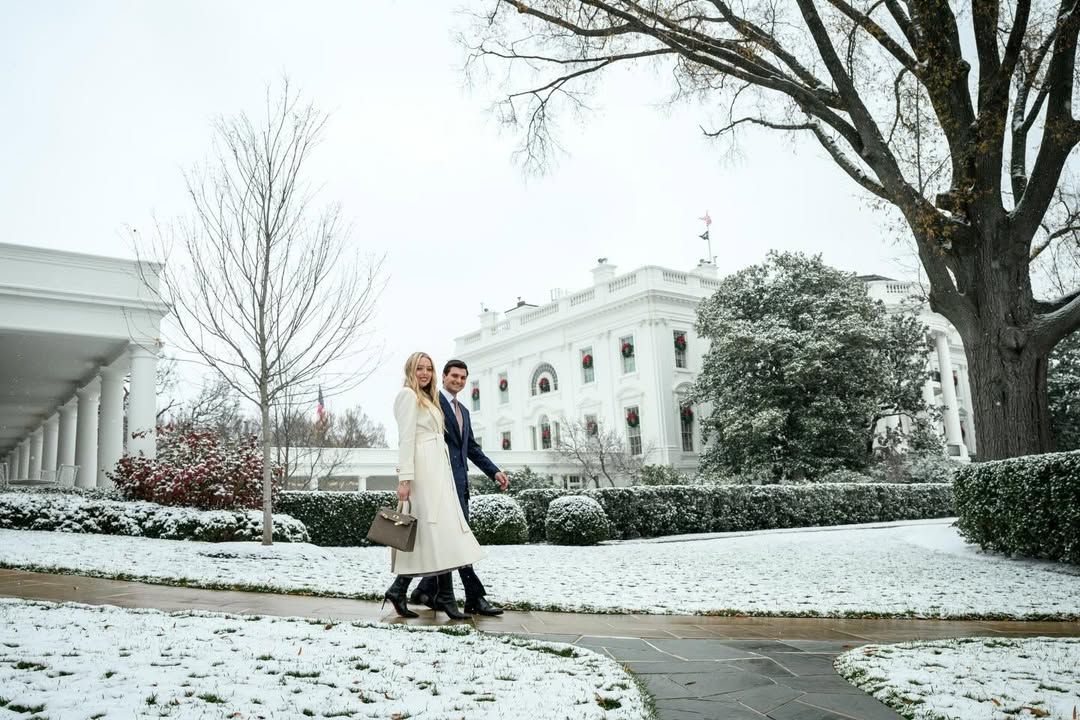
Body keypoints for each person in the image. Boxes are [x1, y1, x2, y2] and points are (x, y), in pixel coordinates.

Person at [382, 351, 483, 620]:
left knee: (438, 536)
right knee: (436, 534)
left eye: (428, 368)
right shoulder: (407, 396)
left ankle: (400, 590)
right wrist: (405, 478)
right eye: (419, 369)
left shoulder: (429, 398)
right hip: (423, 474)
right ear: (410, 370)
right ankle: (445, 600)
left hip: (439, 472)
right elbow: (406, 440)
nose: (425, 373)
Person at [410, 359, 510, 617]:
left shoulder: (463, 411)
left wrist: (494, 471)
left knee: (455, 541)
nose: (459, 381)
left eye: (463, 377)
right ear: (443, 377)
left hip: (460, 485)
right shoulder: (432, 403)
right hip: (439, 483)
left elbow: (472, 449)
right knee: (458, 541)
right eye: (454, 376)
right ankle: (474, 597)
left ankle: (421, 590)